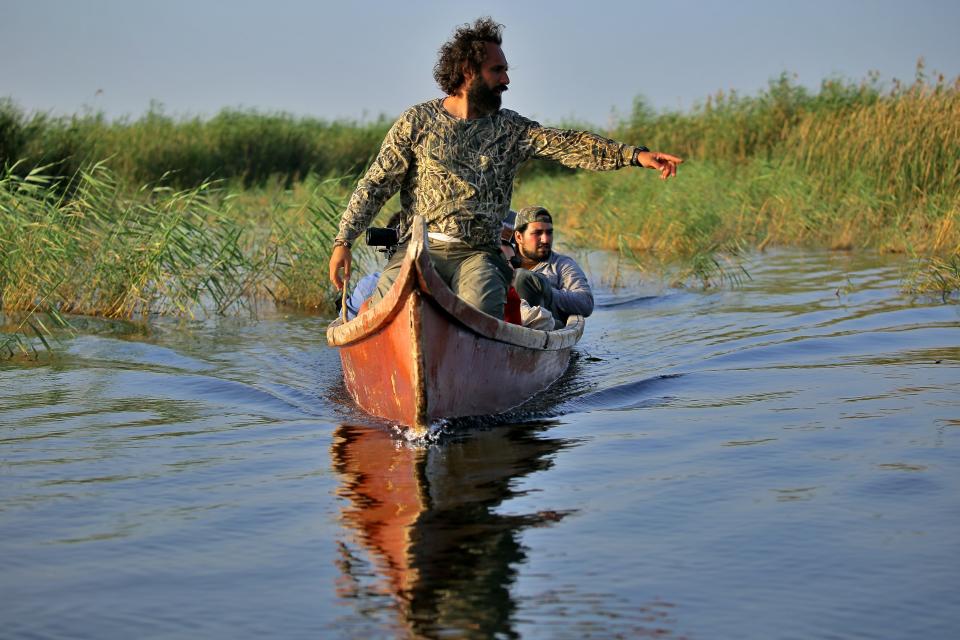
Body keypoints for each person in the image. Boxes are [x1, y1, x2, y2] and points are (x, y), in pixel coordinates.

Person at [328, 16, 682, 319]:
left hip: (479, 254)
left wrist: (635, 155)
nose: (507, 80)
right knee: (392, 307)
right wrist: (344, 241)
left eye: (506, 71)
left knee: (478, 315)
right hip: (420, 251)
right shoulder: (416, 121)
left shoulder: (510, 129)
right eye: (498, 70)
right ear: (468, 72)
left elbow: (567, 144)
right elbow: (375, 184)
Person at [511, 206, 592, 328]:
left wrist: (545, 290)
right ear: (518, 237)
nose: (545, 239)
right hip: (506, 323)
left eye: (549, 233)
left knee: (523, 277)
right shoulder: (504, 259)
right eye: (537, 233)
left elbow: (586, 302)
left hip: (548, 326)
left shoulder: (562, 265)